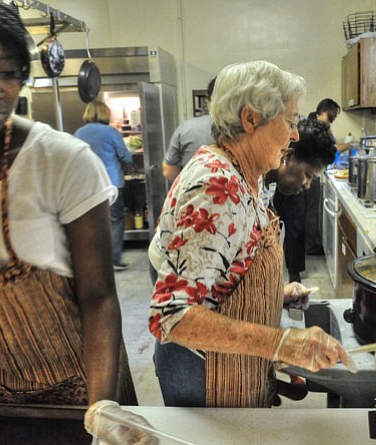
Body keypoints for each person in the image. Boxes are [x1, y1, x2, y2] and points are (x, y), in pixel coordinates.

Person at [0, 1, 136, 440]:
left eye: (7, 71)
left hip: (87, 394)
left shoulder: (62, 161)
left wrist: (104, 408)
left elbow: (98, 297)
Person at [148, 60, 356, 409]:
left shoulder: (247, 177)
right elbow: (174, 316)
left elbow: (228, 270)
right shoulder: (215, 184)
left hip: (232, 367)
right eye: (289, 122)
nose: (294, 135)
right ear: (250, 120)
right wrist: (282, 343)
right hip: (206, 379)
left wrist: (275, 296)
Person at [267, 119, 336, 282]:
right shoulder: (244, 184)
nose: (307, 185)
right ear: (288, 155)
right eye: (307, 175)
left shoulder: (267, 187)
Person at [74, 101, 134, 272]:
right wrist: (128, 164)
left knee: (93, 222)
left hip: (88, 185)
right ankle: (114, 259)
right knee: (115, 220)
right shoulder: (111, 132)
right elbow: (125, 156)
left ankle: (95, 261)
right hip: (111, 184)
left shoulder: (79, 132)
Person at [161, 77, 216, 181]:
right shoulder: (248, 129)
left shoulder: (187, 128)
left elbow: (168, 172)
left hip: (193, 192)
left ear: (208, 101)